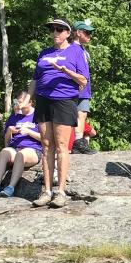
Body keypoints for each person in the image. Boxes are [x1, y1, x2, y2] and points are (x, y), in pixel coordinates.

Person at [28, 18, 89, 208]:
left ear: (68, 33)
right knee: (46, 146)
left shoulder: (76, 51)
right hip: (44, 100)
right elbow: (35, 79)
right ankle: (47, 191)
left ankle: (61, 192)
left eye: (60, 29)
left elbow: (83, 81)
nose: (55, 32)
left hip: (64, 100)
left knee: (62, 145)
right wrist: (28, 97)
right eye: (53, 29)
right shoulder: (44, 53)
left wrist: (65, 70)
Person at [0, 94, 42, 197]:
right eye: (17, 102)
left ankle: (10, 188)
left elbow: (46, 138)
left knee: (21, 155)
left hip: (33, 149)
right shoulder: (14, 116)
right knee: (4, 152)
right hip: (15, 148)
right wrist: (9, 131)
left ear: (30, 102)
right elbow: (7, 142)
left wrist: (28, 132)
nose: (18, 104)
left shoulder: (38, 115)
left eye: (21, 101)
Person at [71, 20, 95, 154]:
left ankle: (78, 143)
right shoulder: (73, 49)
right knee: (79, 115)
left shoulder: (81, 49)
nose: (89, 35)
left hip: (84, 89)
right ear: (78, 33)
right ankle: (77, 143)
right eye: (87, 32)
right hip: (78, 89)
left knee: (82, 115)